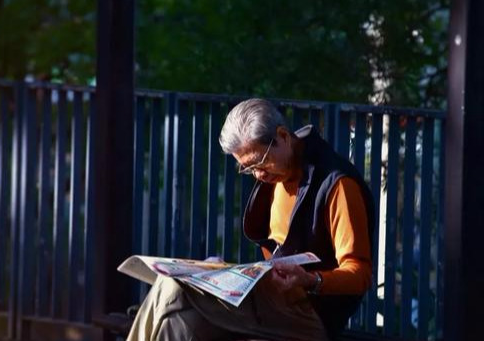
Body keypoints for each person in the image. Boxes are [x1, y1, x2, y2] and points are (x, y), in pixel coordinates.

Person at [127, 98, 374, 341]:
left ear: (283, 137)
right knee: (179, 322)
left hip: (309, 314)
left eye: (260, 162)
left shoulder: (338, 185)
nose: (257, 174)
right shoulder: (277, 175)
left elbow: (360, 274)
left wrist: (310, 279)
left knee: (172, 288)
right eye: (247, 168)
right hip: (271, 301)